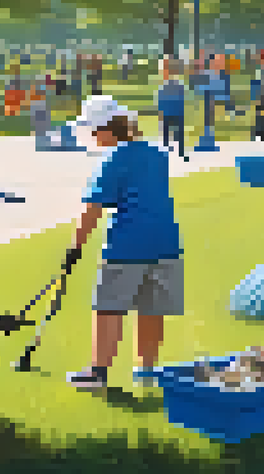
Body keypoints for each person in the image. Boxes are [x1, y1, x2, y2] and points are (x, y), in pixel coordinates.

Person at [61, 96, 182, 390]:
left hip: (127, 245)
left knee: (108, 308)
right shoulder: (157, 153)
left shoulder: (111, 159)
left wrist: (75, 248)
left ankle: (97, 373)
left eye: (92, 130)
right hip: (166, 242)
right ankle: (147, 371)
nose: (90, 136)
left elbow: (93, 208)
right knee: (152, 308)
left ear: (105, 129)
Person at [156, 58, 189, 161]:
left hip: (174, 111)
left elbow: (180, 98)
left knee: (174, 132)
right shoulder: (171, 85)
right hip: (173, 111)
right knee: (171, 132)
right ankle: (178, 150)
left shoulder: (175, 85)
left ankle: (179, 151)